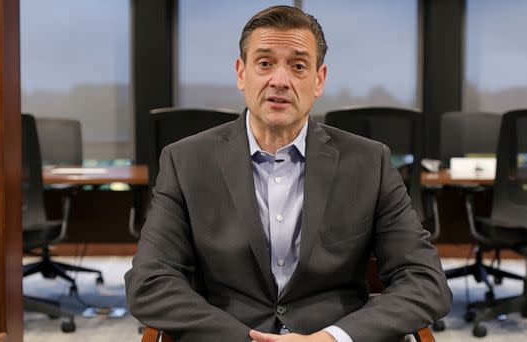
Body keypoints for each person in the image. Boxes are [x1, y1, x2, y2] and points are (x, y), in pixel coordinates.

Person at [125, 5, 451, 342]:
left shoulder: (370, 162)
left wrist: (332, 339)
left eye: (297, 66)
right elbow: (150, 281)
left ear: (319, 79)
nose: (280, 80)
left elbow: (424, 280)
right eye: (265, 63)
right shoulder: (186, 160)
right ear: (241, 73)